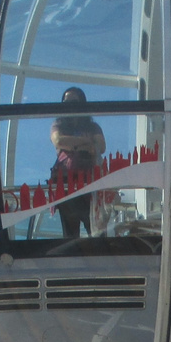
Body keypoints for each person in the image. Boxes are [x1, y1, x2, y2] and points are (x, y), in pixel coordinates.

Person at [50, 86, 106, 238]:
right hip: (66, 184)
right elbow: (58, 140)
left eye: (74, 101)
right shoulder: (59, 125)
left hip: (89, 184)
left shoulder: (92, 127)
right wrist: (86, 143)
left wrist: (72, 144)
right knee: (70, 235)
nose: (70, 105)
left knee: (96, 229)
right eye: (66, 102)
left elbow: (100, 146)